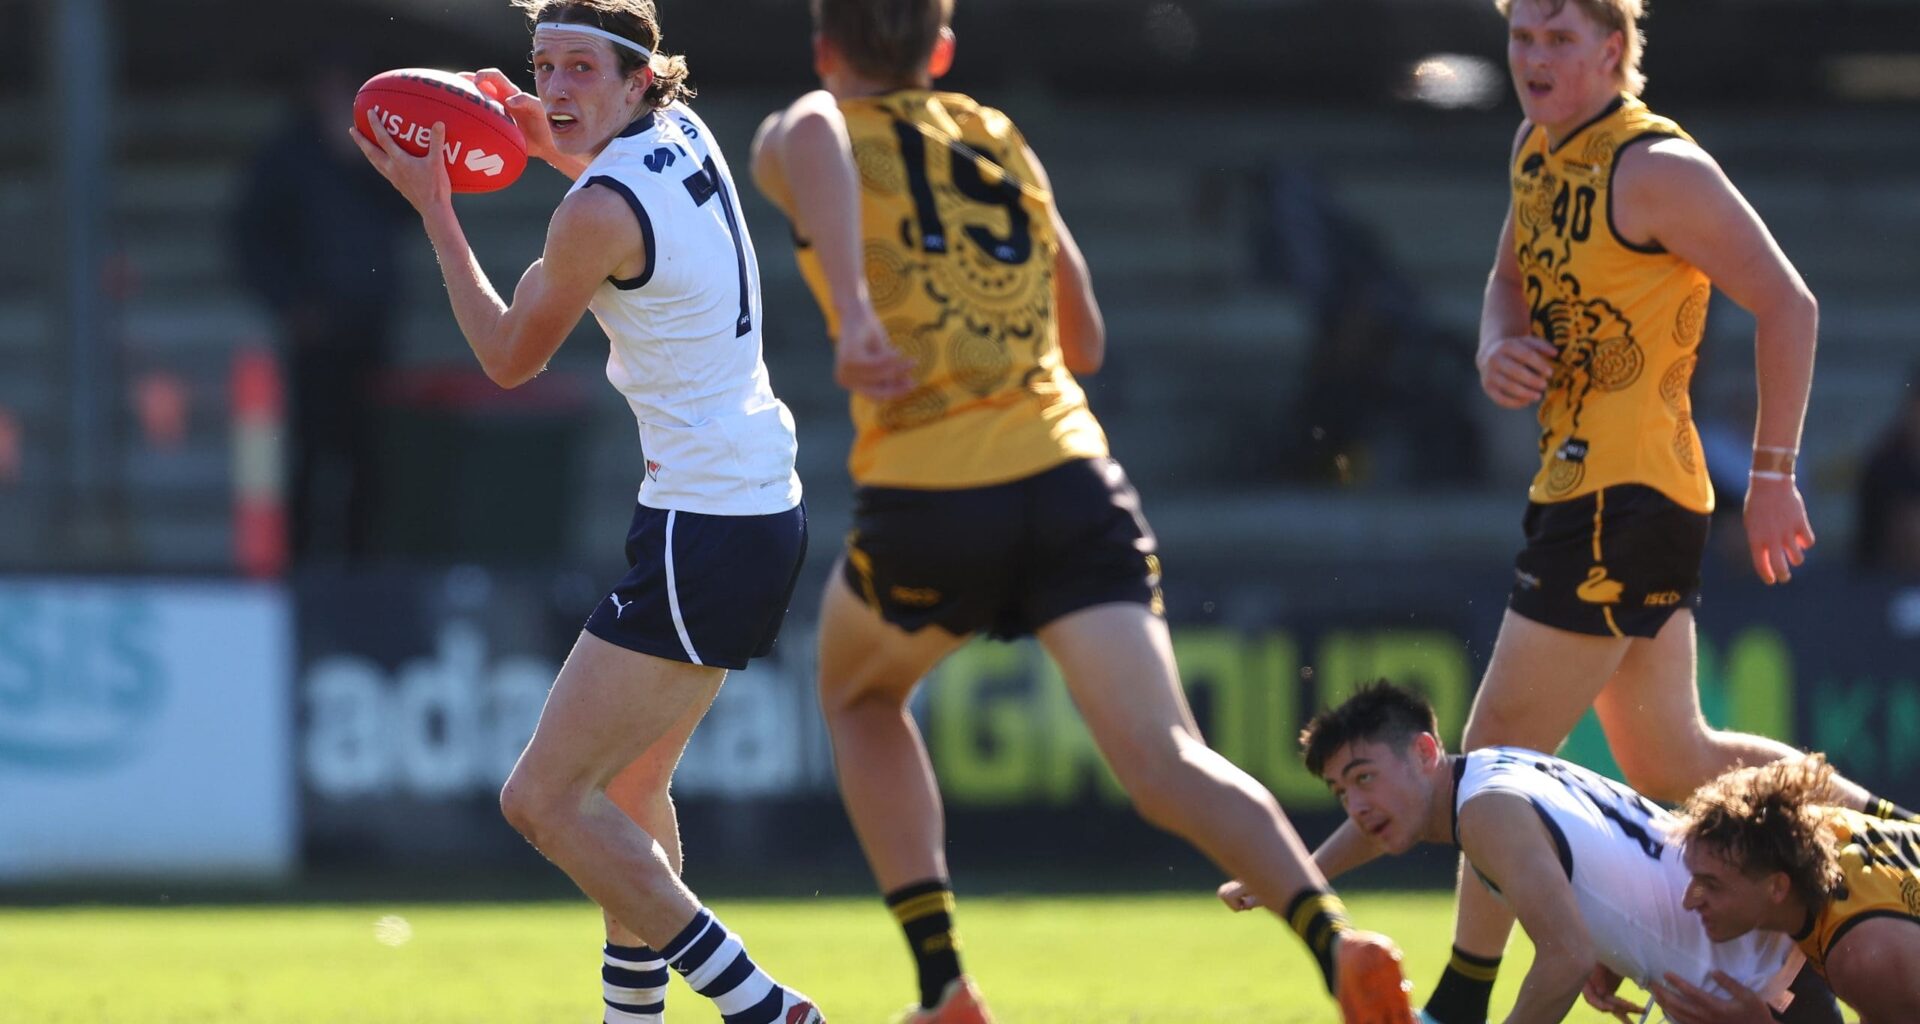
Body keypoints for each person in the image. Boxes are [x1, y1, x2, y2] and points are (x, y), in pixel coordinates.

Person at [748, 3, 1413, 1022]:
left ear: (822, 49)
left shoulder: (811, 126)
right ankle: (1331, 939)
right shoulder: (1000, 137)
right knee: (1168, 759)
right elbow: (1086, 338)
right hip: (1071, 480)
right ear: (943, 51)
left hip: (934, 490)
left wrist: (861, 308)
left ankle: (943, 984)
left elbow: (810, 133)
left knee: (858, 695)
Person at [1306, 4, 1920, 1020]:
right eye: (1521, 38)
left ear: (1612, 48)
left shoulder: (1656, 168)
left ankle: (1461, 999)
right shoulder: (1538, 148)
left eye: (1558, 39)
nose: (1534, 59)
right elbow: (1506, 282)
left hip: (1625, 496)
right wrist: (1493, 344)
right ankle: (1890, 835)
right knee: (1674, 756)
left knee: (1496, 747)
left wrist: (1772, 475)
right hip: (1589, 489)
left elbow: (1788, 302)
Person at [350, 3, 821, 1023]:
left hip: (710, 522)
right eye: (543, 65)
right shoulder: (679, 135)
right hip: (741, 503)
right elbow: (571, 146)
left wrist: (435, 202)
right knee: (626, 798)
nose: (556, 88)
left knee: (543, 799)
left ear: (639, 80)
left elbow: (508, 357)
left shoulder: (595, 214)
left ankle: (764, 1006)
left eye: (578, 70)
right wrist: (503, 110)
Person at [1221, 682, 1845, 1024]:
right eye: (1340, 791)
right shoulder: (1494, 770)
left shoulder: (1486, 813)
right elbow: (1601, 872)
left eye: (1364, 777)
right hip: (1773, 973)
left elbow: (1565, 959)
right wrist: (1296, 875)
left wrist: (1594, 949)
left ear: (1424, 753)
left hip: (1762, 1001)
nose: (1355, 804)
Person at [232, 48, 414, 563]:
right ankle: (302, 571)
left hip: (371, 330)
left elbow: (412, 214)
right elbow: (251, 237)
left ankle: (365, 569)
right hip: (313, 334)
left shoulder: (382, 152)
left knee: (370, 458)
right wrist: (290, 304)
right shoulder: (285, 156)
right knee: (308, 459)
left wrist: (361, 161)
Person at [1655, 756, 1920, 1023]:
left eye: (1712, 885)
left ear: (1778, 887)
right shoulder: (1800, 830)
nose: (1689, 901)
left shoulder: (1864, 961)